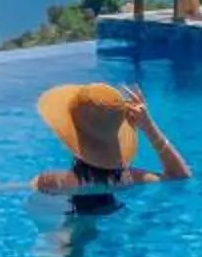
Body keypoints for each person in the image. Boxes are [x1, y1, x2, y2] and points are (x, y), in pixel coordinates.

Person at [32, 82, 191, 210]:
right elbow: (180, 175)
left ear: (72, 135)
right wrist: (148, 126)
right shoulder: (130, 179)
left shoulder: (50, 182)